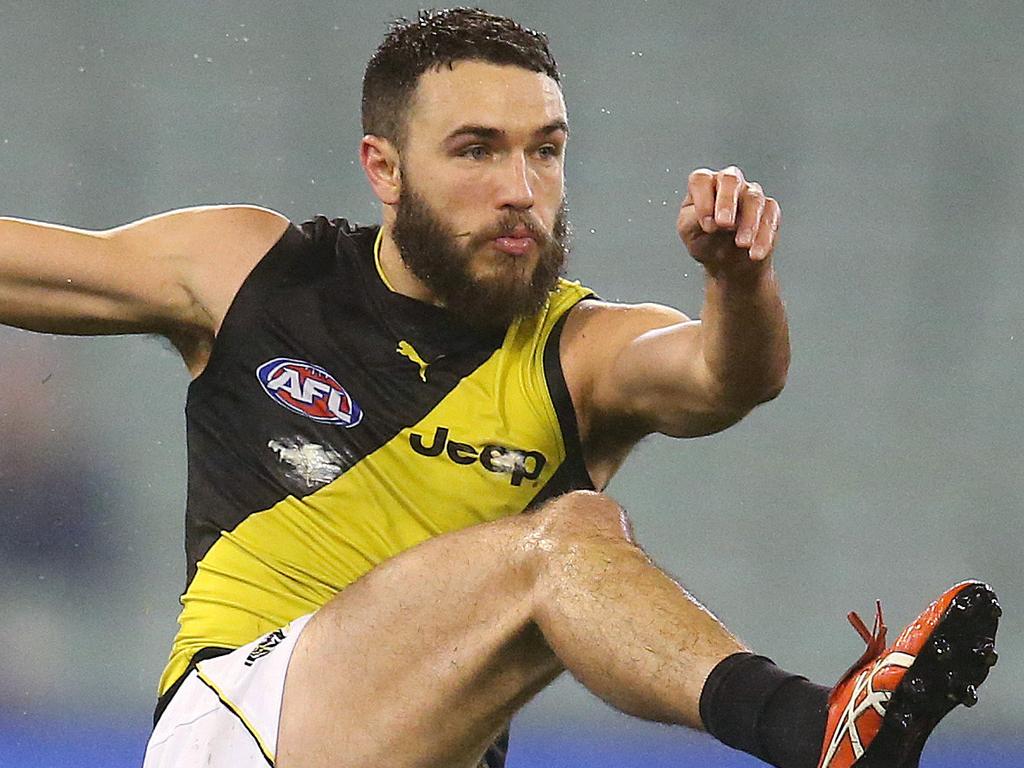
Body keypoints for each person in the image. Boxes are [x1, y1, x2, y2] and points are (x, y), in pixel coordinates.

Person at [0, 8, 999, 768]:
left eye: (545, 151)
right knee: (566, 541)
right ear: (382, 169)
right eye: (476, 150)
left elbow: (724, 377)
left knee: (566, 542)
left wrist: (736, 282)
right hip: (241, 729)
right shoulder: (254, 271)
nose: (519, 187)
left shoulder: (579, 349)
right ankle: (809, 726)